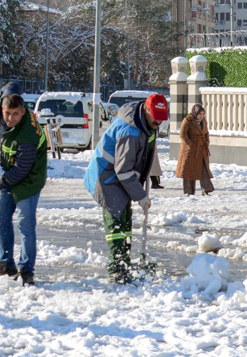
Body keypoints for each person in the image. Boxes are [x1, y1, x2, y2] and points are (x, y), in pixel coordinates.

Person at [84, 94, 168, 283]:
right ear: (146, 110)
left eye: (161, 118)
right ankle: (117, 268)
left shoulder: (147, 124)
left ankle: (124, 263)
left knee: (125, 221)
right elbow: (123, 169)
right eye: (155, 117)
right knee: (116, 221)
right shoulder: (130, 132)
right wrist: (141, 196)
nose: (158, 122)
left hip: (121, 177)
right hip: (106, 177)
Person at [0, 90, 48, 286]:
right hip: (9, 174)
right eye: (7, 114)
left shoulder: (28, 134)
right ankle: (5, 265)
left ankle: (26, 270)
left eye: (14, 114)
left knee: (25, 226)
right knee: (2, 221)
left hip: (29, 181)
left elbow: (22, 169)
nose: (10, 118)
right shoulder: (0, 116)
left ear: (23, 112)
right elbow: (8, 88)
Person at [176, 103, 214, 195]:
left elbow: (206, 133)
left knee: (203, 168)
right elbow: (182, 134)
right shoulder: (187, 120)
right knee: (189, 170)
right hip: (190, 149)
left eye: (203, 114)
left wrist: (207, 142)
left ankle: (206, 188)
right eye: (200, 114)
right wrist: (190, 143)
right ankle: (189, 191)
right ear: (195, 113)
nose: (201, 116)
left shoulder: (203, 121)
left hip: (201, 147)